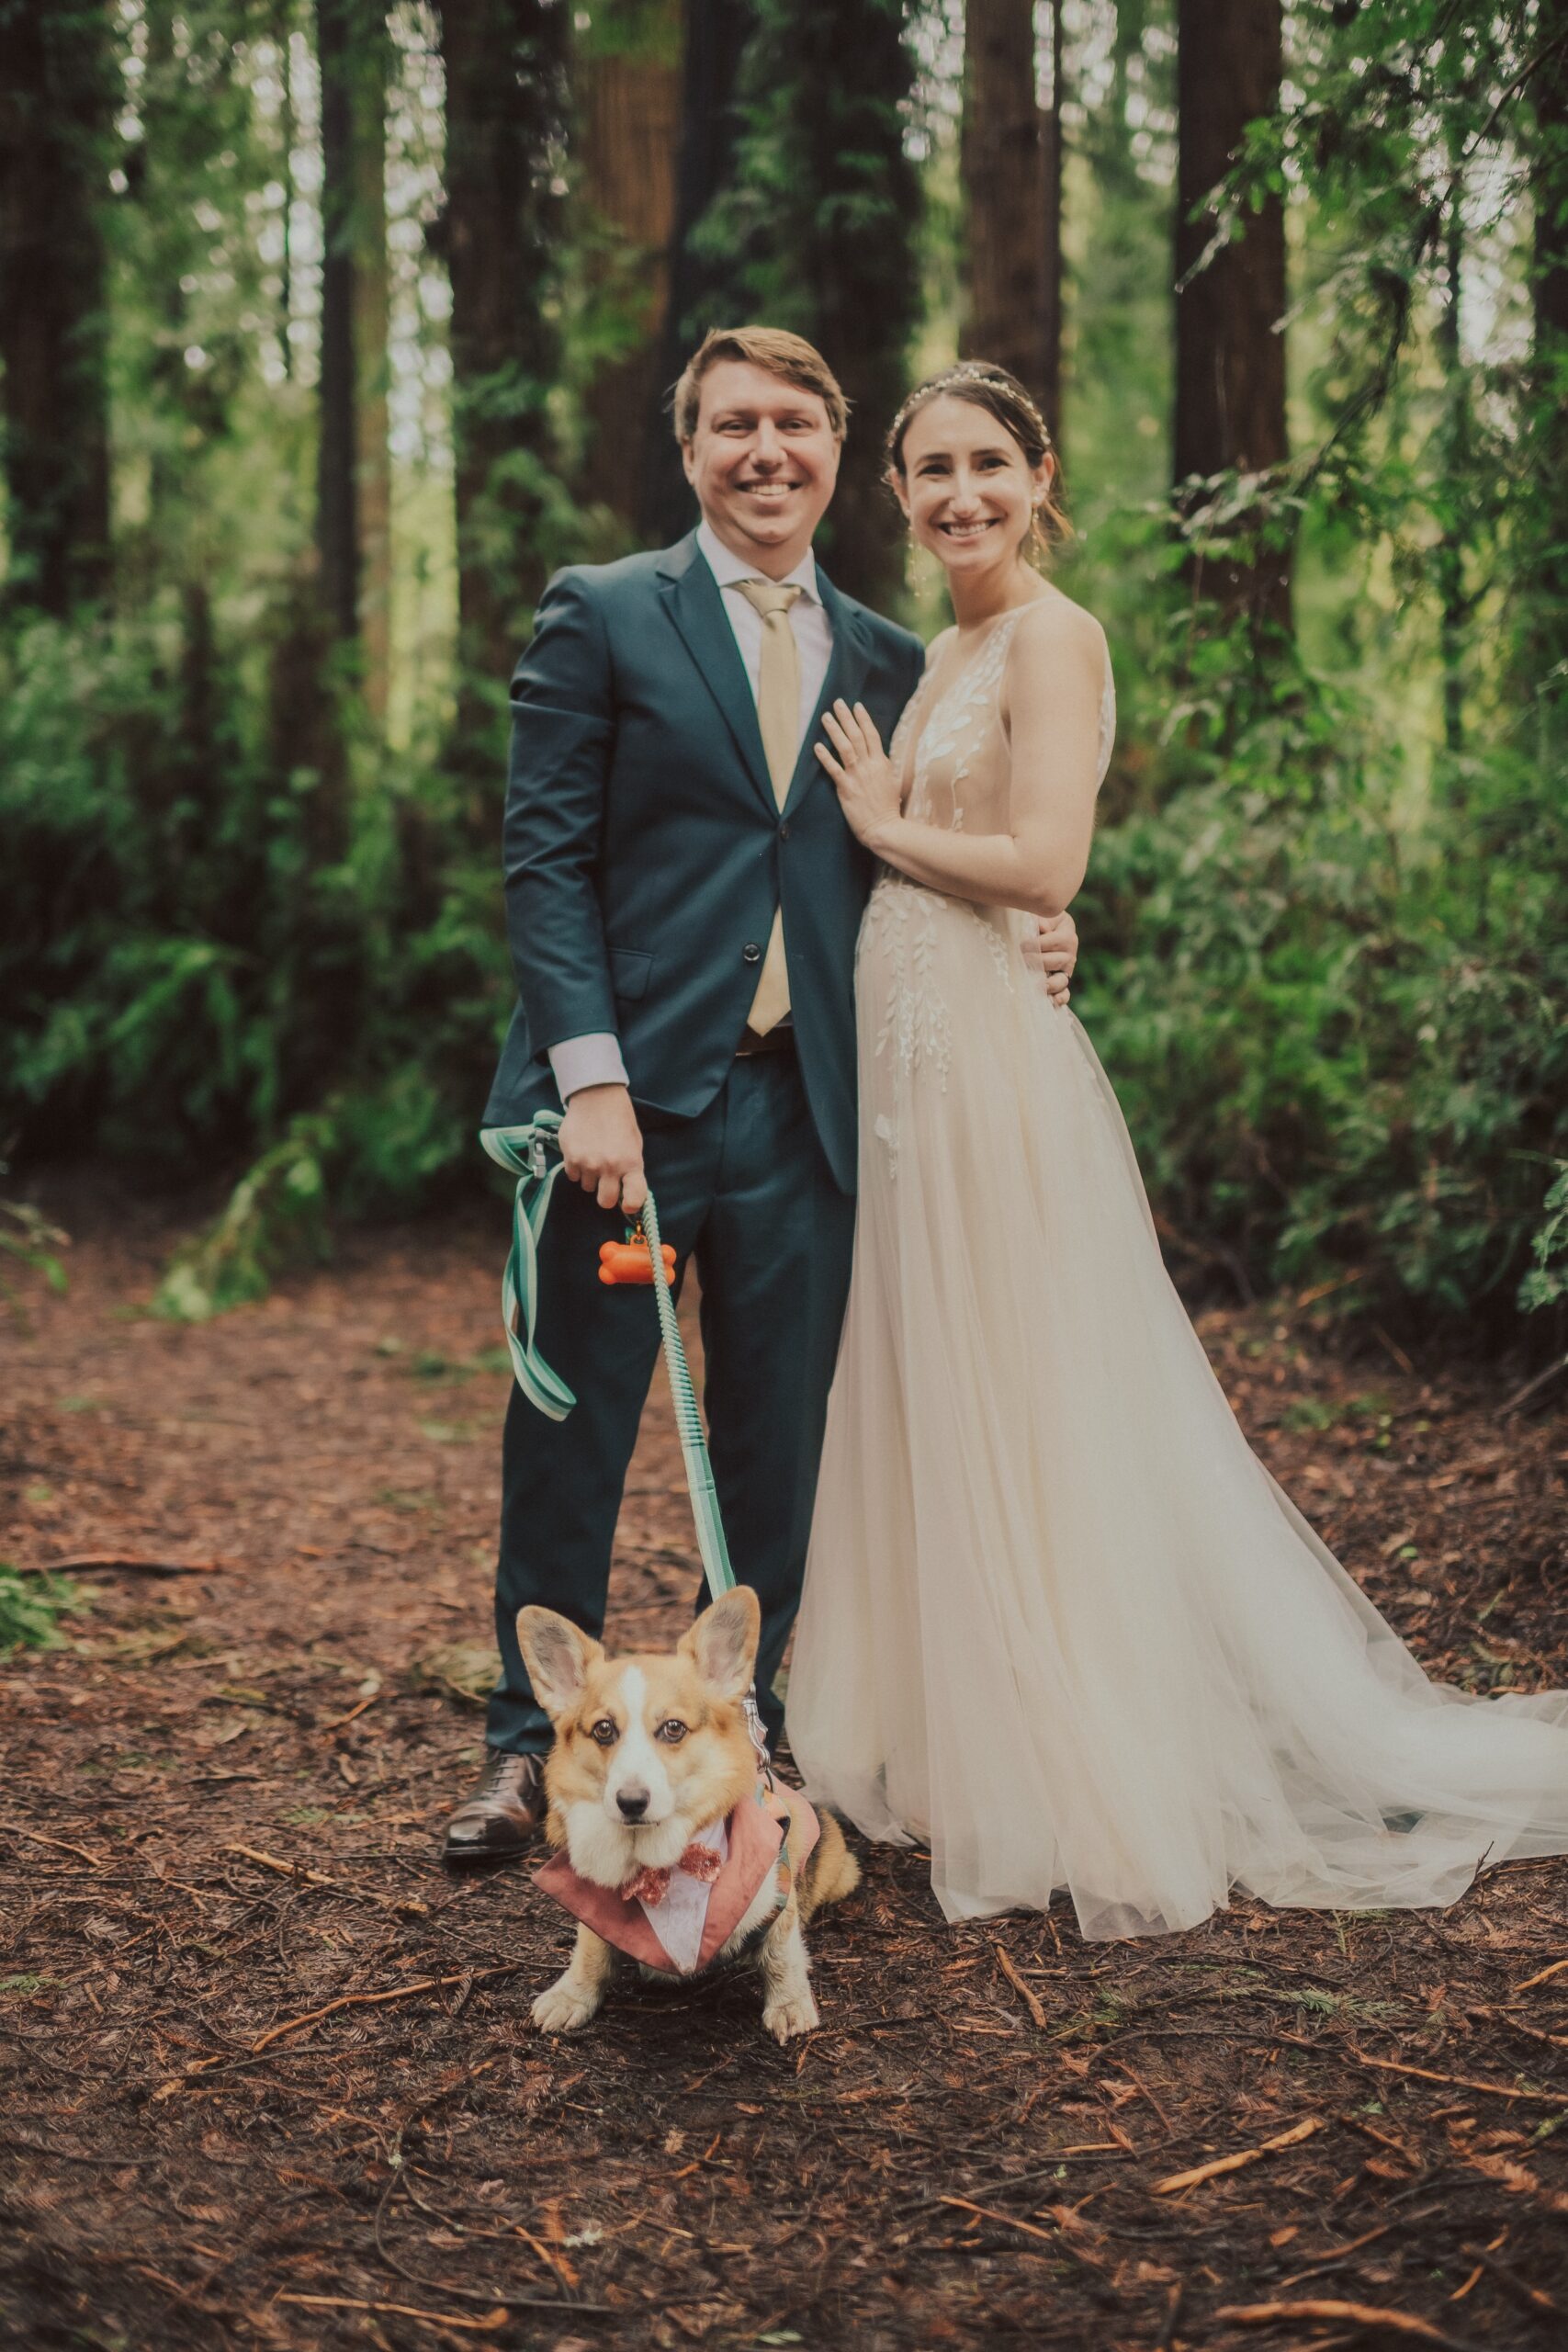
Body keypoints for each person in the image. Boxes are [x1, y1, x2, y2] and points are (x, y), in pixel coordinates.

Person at [785, 359, 1568, 1939]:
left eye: (988, 465)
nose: (960, 497)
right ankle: (967, 1739)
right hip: (908, 1070)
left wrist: (884, 828)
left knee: (1025, 1399)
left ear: (1040, 470)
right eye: (930, 471)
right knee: (951, 1394)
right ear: (898, 492)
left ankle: (1076, 1765)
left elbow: (1045, 856)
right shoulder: (941, 645)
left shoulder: (1059, 636)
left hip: (990, 1070)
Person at [444, 330, 1078, 1862]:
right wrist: (589, 1081)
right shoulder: (601, 614)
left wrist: (1046, 922)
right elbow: (543, 865)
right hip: (628, 1117)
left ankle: (756, 1721)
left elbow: (938, 845)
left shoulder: (884, 656)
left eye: (794, 424)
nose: (765, 452)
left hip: (809, 1109)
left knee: (785, 1437)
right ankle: (530, 1750)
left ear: (832, 449)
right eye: (734, 426)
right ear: (693, 450)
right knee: (577, 1431)